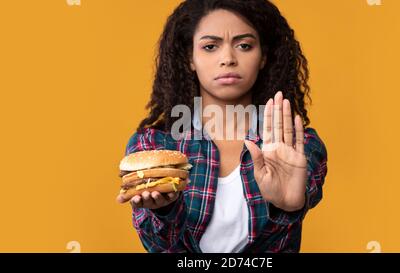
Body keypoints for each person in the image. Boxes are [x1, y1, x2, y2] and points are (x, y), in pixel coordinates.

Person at [117, 0, 328, 253]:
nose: (228, 58)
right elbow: (160, 246)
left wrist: (286, 206)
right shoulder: (152, 146)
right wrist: (164, 210)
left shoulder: (298, 146)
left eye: (244, 45)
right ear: (190, 58)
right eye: (210, 46)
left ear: (263, 57)